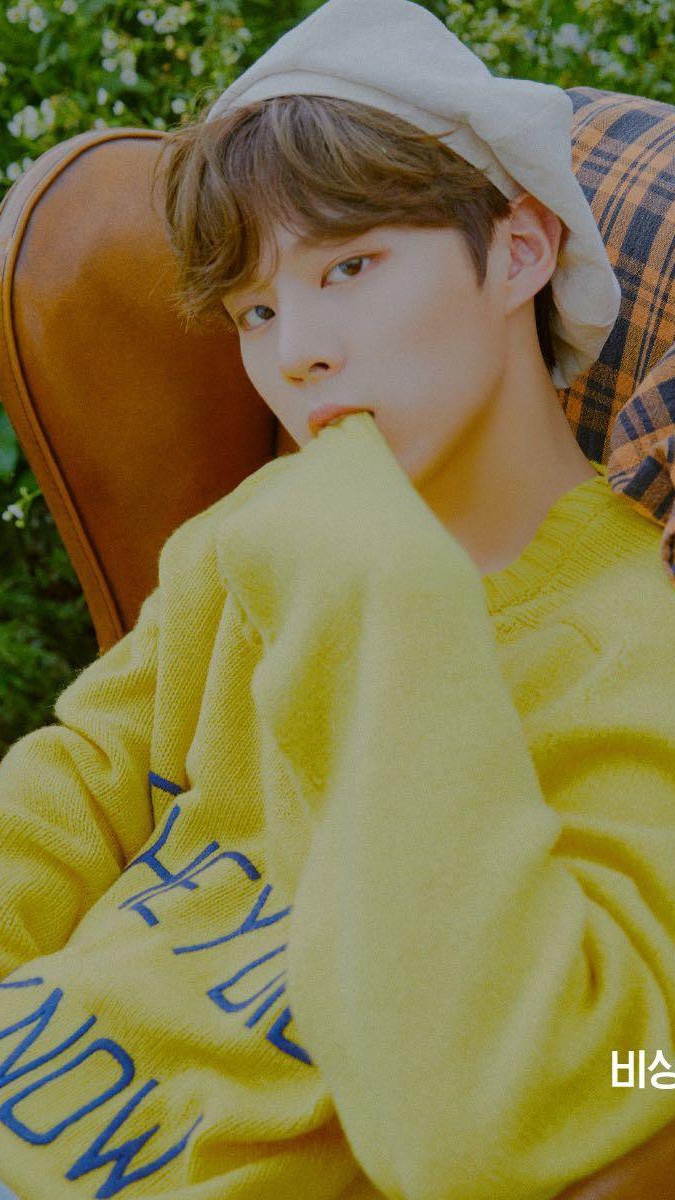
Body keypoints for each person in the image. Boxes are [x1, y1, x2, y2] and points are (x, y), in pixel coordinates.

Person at [0, 0, 674, 1197]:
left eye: (349, 267)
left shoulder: (631, 648)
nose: (294, 352)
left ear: (519, 250)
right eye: (256, 310)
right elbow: (77, 787)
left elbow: (566, 1096)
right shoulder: (267, 527)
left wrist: (380, 585)